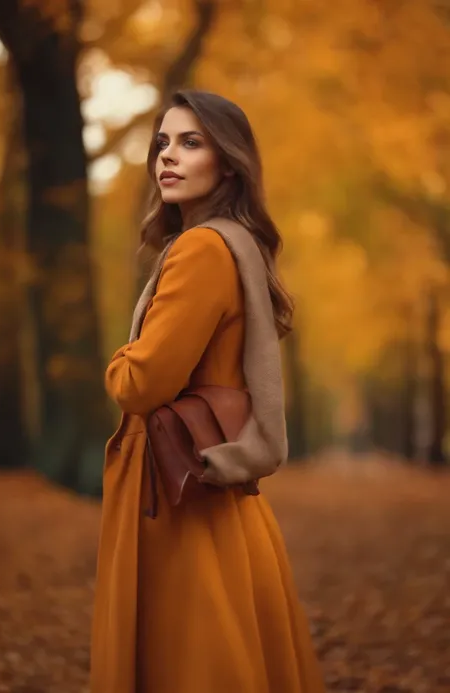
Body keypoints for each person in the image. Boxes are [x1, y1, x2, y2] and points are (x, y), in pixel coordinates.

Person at [90, 89, 325, 693]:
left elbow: (140, 384)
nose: (168, 156)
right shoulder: (236, 243)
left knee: (193, 661)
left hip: (179, 502)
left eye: (191, 142)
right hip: (214, 489)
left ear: (228, 161)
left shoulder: (200, 249)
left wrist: (119, 359)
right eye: (162, 143)